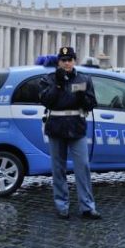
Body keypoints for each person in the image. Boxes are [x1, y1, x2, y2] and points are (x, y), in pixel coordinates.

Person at [39, 46, 100, 220]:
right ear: (58, 62)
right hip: (56, 126)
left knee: (83, 167)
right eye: (64, 60)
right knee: (58, 169)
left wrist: (82, 98)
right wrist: (58, 85)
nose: (67, 63)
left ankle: (87, 207)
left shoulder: (83, 78)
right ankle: (61, 206)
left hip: (76, 126)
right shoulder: (49, 79)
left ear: (74, 61)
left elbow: (91, 104)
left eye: (70, 59)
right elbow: (46, 101)